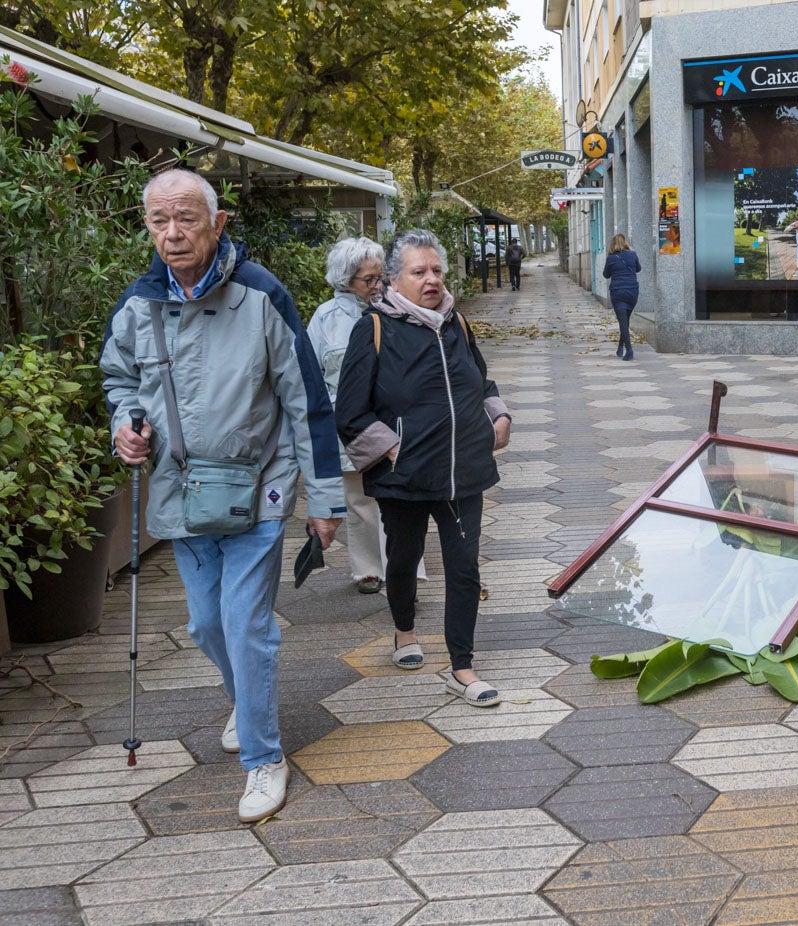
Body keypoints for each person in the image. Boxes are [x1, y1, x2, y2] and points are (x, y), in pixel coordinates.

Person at [101, 168, 345, 823]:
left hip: (258, 489)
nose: (173, 233)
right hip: (182, 496)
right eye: (159, 220)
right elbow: (118, 381)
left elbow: (309, 404)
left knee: (245, 627)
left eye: (186, 218)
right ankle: (248, 697)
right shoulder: (139, 303)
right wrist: (125, 426)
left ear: (218, 222)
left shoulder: (261, 295)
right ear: (147, 226)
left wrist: (323, 500)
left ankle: (264, 759)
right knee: (207, 625)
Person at [335, 229, 511, 704]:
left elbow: (482, 378)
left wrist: (499, 414)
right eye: (419, 272)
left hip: (463, 472)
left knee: (464, 568)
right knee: (405, 559)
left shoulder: (457, 324)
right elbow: (349, 414)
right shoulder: (374, 328)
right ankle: (405, 632)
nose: (430, 279)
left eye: (436, 270)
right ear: (394, 279)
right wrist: (395, 451)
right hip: (405, 477)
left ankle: (463, 667)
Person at [307, 238, 427, 594]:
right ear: (346, 280)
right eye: (368, 280)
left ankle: (406, 570)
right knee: (358, 502)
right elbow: (310, 375)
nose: (378, 286)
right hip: (345, 424)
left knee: (400, 498)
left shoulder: (396, 310)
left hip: (391, 420)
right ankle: (368, 569)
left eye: (380, 278)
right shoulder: (324, 319)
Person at [602, 233, 641, 361]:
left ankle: (629, 350)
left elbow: (606, 275)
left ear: (612, 244)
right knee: (625, 321)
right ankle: (620, 346)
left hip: (618, 292)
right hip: (632, 292)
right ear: (625, 242)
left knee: (623, 322)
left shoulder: (611, 258)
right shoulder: (633, 254)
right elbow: (638, 269)